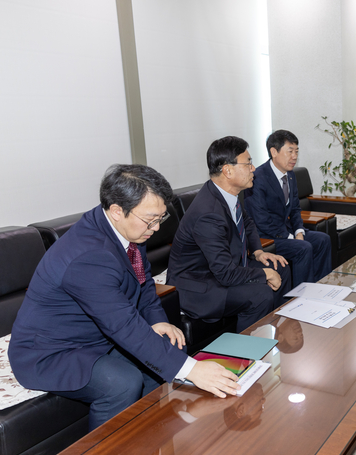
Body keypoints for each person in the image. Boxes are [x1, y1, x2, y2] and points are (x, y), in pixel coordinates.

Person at [8, 165, 240, 431]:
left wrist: (157, 321)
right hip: (50, 352)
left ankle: (150, 438)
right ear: (117, 210)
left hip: (93, 336)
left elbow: (143, 284)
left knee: (167, 346)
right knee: (122, 382)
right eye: (150, 219)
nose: (155, 228)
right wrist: (193, 370)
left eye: (160, 219)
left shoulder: (130, 229)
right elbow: (122, 325)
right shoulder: (88, 256)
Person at [167, 136, 291, 332]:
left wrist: (258, 252)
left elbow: (247, 223)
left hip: (222, 269)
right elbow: (225, 273)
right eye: (248, 163)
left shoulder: (226, 194)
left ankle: (273, 329)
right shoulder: (208, 213)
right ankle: (247, 355)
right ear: (228, 170)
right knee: (260, 294)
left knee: (279, 265)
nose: (254, 168)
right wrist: (264, 273)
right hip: (200, 284)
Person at [243, 130, 332, 287]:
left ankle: (320, 287)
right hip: (267, 237)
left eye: (296, 151)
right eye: (290, 151)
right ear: (274, 152)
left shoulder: (290, 175)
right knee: (303, 247)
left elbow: (295, 208)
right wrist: (290, 237)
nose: (294, 157)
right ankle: (301, 296)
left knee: (322, 239)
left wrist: (299, 231)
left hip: (286, 231)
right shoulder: (257, 178)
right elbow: (261, 220)